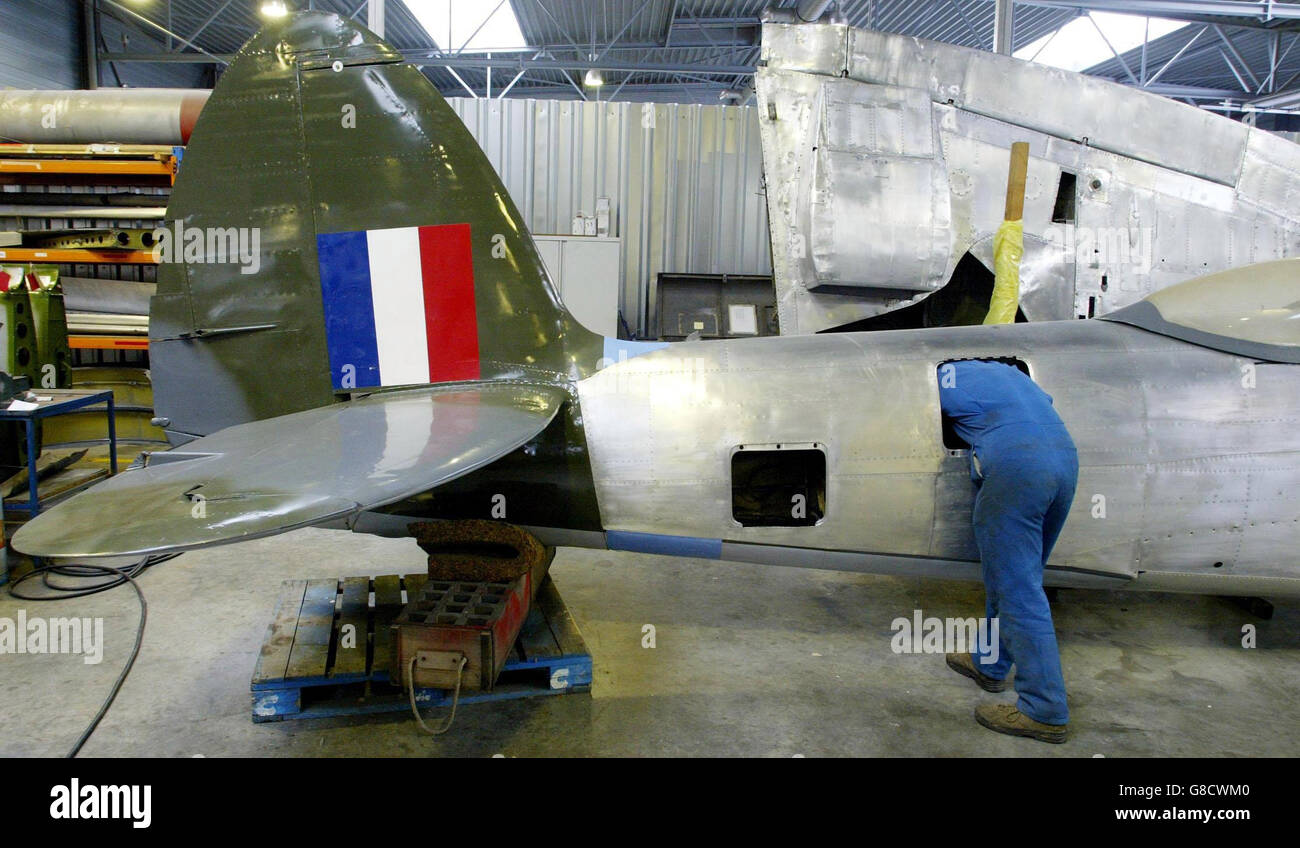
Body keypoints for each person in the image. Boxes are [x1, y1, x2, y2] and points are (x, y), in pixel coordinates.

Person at [937, 359, 1078, 743]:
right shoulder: (1008, 373)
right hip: (1064, 458)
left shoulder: (937, 374)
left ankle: (1044, 709)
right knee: (1018, 575)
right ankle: (990, 662)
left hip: (1016, 463)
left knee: (1019, 590)